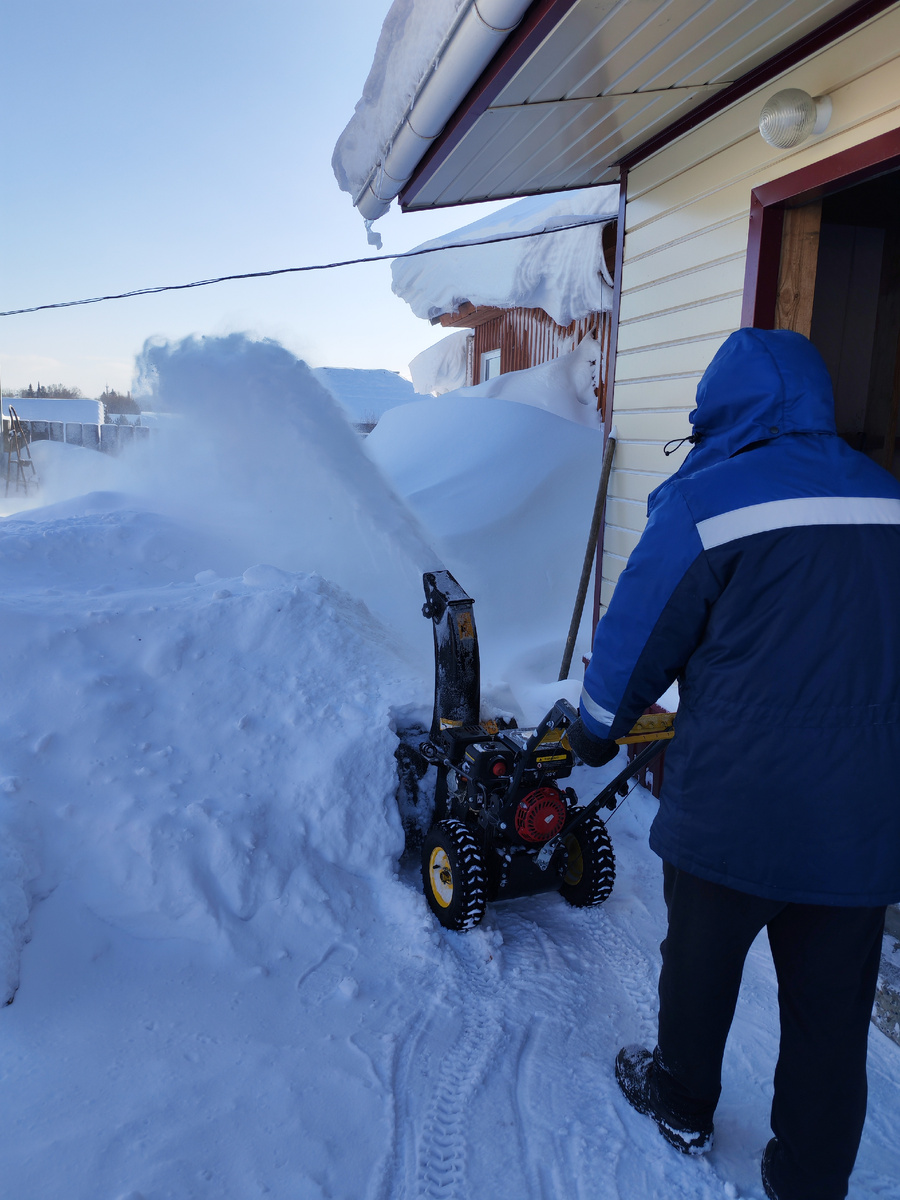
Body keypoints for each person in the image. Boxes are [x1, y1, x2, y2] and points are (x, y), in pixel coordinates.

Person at [565, 327, 900, 1200]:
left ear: (722, 407)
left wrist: (597, 729)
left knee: (702, 963)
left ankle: (680, 1098)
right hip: (861, 819)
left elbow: (640, 632)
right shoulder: (888, 497)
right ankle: (810, 1177)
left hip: (737, 806)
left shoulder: (709, 499)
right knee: (832, 1014)